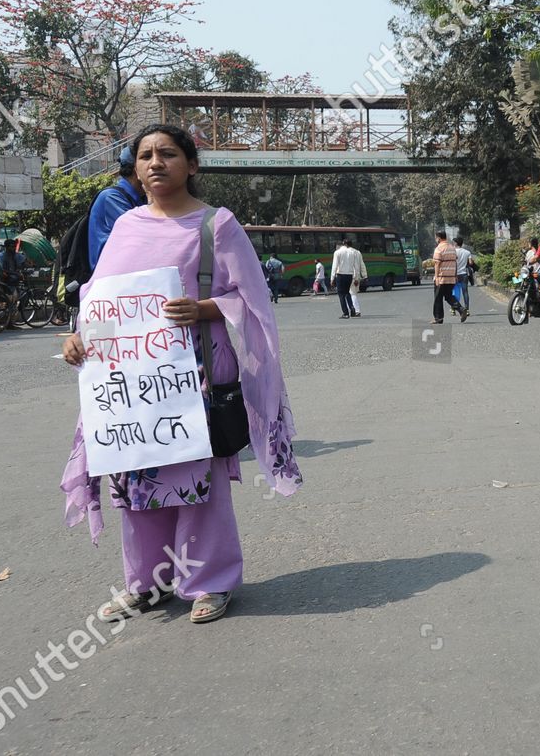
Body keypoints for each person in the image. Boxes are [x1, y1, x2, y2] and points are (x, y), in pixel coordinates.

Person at [58, 123, 302, 625]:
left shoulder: (217, 225)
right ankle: (146, 585)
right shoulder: (125, 227)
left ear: (191, 164)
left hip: (195, 380)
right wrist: (77, 335)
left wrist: (205, 307)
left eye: (167, 154)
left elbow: (253, 302)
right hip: (130, 386)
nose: (155, 163)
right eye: (145, 155)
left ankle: (210, 582)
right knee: (138, 484)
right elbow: (100, 300)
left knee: (198, 483)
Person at [88, 146, 147, 270]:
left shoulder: (140, 198)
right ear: (136, 170)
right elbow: (142, 238)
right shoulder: (112, 198)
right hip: (112, 279)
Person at [431, 230, 467, 323]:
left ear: (438, 238)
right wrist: (455, 275)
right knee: (449, 296)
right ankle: (461, 309)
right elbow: (455, 263)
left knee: (438, 298)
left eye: (436, 238)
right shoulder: (452, 248)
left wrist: (436, 277)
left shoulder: (439, 248)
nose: (436, 240)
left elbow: (437, 264)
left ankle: (438, 318)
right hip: (451, 277)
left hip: (442, 277)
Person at [330, 237, 357, 319]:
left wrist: (332, 278)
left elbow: (334, 266)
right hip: (349, 275)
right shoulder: (353, 253)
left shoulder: (337, 252)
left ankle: (345, 313)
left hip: (340, 275)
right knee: (347, 292)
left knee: (341, 294)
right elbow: (356, 266)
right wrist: (356, 277)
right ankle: (352, 309)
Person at [453, 236, 473, 308]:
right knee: (465, 292)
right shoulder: (467, 252)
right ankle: (467, 309)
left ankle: (454, 308)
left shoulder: (453, 252)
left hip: (455, 274)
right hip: (464, 274)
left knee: (455, 292)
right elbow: (470, 263)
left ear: (456, 243)